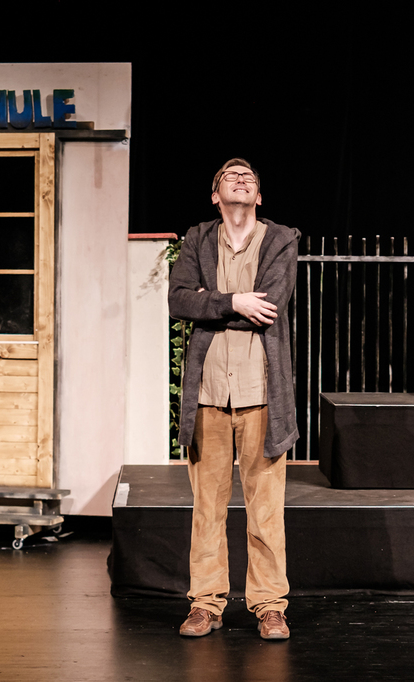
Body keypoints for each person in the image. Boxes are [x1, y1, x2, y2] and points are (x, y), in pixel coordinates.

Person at [168, 158, 300, 640]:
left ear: (258, 196)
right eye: (230, 175)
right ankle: (206, 603)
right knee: (208, 507)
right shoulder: (197, 239)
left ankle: (270, 605)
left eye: (249, 177)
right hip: (208, 394)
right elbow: (178, 300)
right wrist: (235, 302)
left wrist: (213, 302)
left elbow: (272, 303)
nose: (240, 179)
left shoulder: (281, 239)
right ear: (215, 195)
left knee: (265, 509)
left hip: (262, 392)